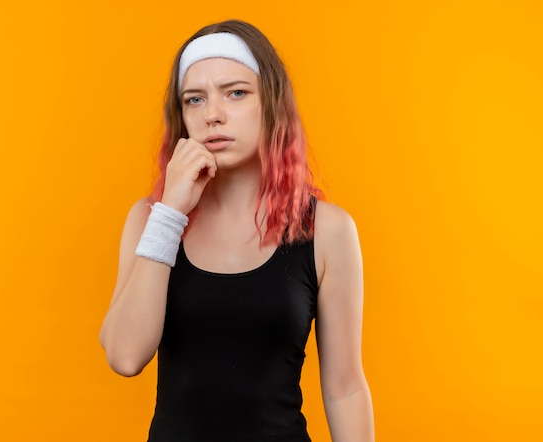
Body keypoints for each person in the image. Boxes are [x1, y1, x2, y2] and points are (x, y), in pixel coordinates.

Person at [100, 19, 374, 442]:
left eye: (237, 93)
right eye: (195, 99)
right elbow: (124, 355)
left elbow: (345, 388)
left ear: (272, 104)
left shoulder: (327, 231)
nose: (212, 114)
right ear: (183, 117)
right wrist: (171, 212)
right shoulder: (149, 218)